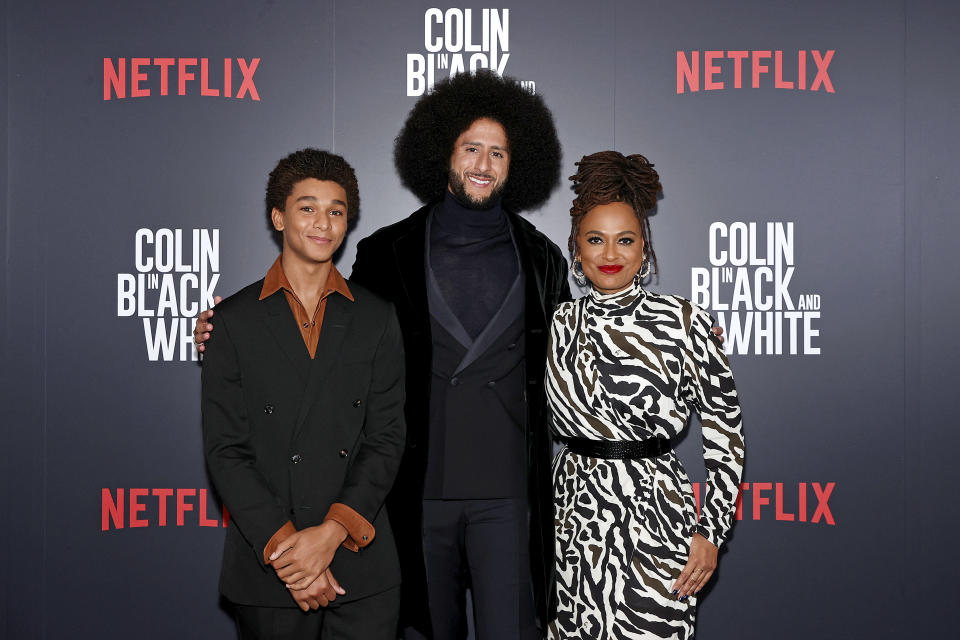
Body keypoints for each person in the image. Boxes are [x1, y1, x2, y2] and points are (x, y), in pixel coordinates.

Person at [197, 71, 570, 639]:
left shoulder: (543, 257)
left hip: (509, 495)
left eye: (499, 152)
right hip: (414, 497)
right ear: (443, 151)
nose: (484, 163)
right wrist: (223, 330)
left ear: (516, 164)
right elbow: (323, 322)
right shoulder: (386, 251)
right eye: (471, 147)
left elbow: (577, 349)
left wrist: (679, 337)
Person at [201, 149, 405, 639]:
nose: (323, 222)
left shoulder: (376, 318)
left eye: (336, 210)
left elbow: (387, 437)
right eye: (307, 207)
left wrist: (331, 534)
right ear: (279, 216)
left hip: (360, 564)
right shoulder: (233, 322)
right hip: (270, 569)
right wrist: (292, 555)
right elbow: (227, 451)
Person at [546, 151, 745, 639]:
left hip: (658, 516)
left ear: (644, 249)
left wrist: (711, 532)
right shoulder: (555, 323)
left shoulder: (684, 321)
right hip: (572, 517)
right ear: (576, 248)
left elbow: (726, 434)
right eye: (595, 239)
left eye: (625, 240)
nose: (610, 253)